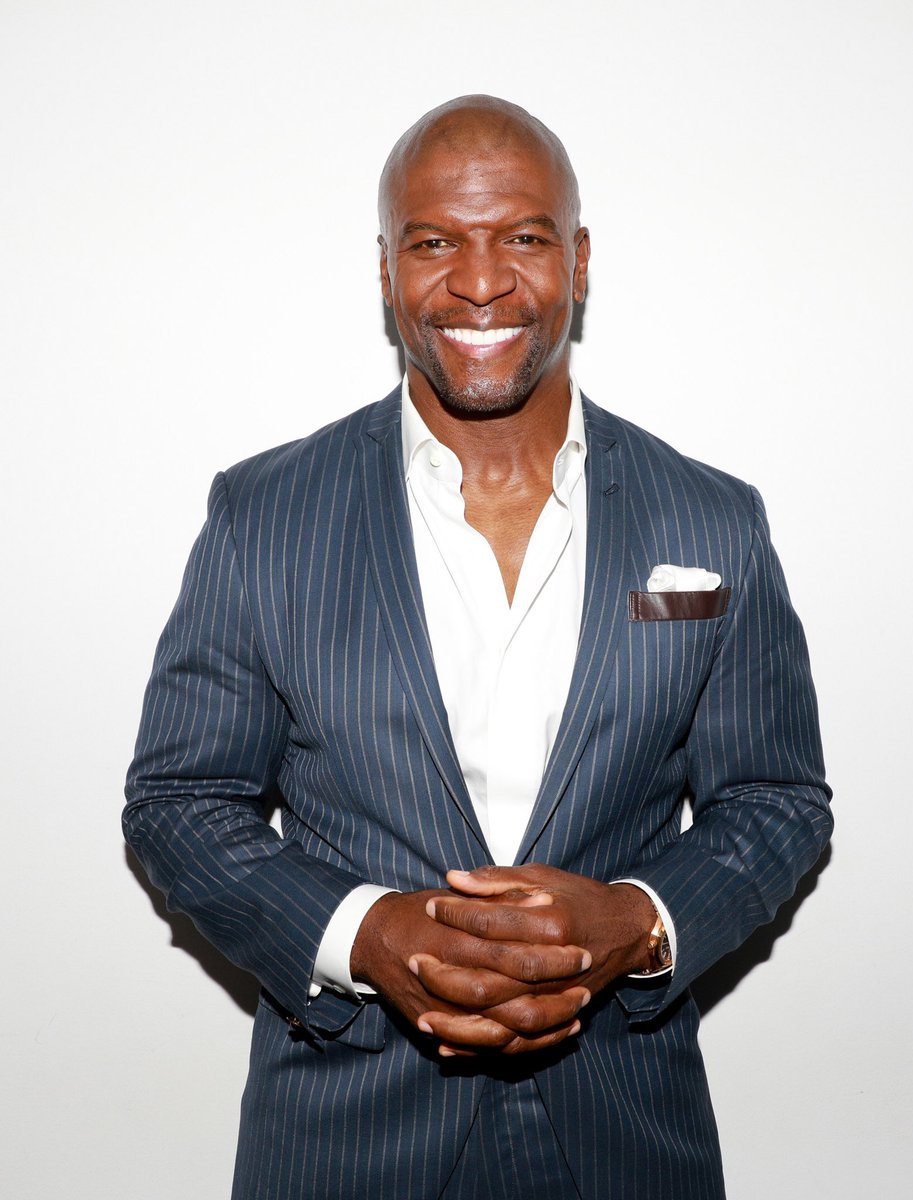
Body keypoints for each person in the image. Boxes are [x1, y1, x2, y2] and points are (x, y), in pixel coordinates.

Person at [124, 94, 832, 1200]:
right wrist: (366, 935)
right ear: (386, 270)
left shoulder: (712, 520)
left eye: (524, 237)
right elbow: (179, 801)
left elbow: (777, 800)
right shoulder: (264, 515)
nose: (481, 281)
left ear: (579, 261)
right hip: (343, 1142)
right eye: (434, 243)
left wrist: (633, 922)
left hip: (625, 1136)